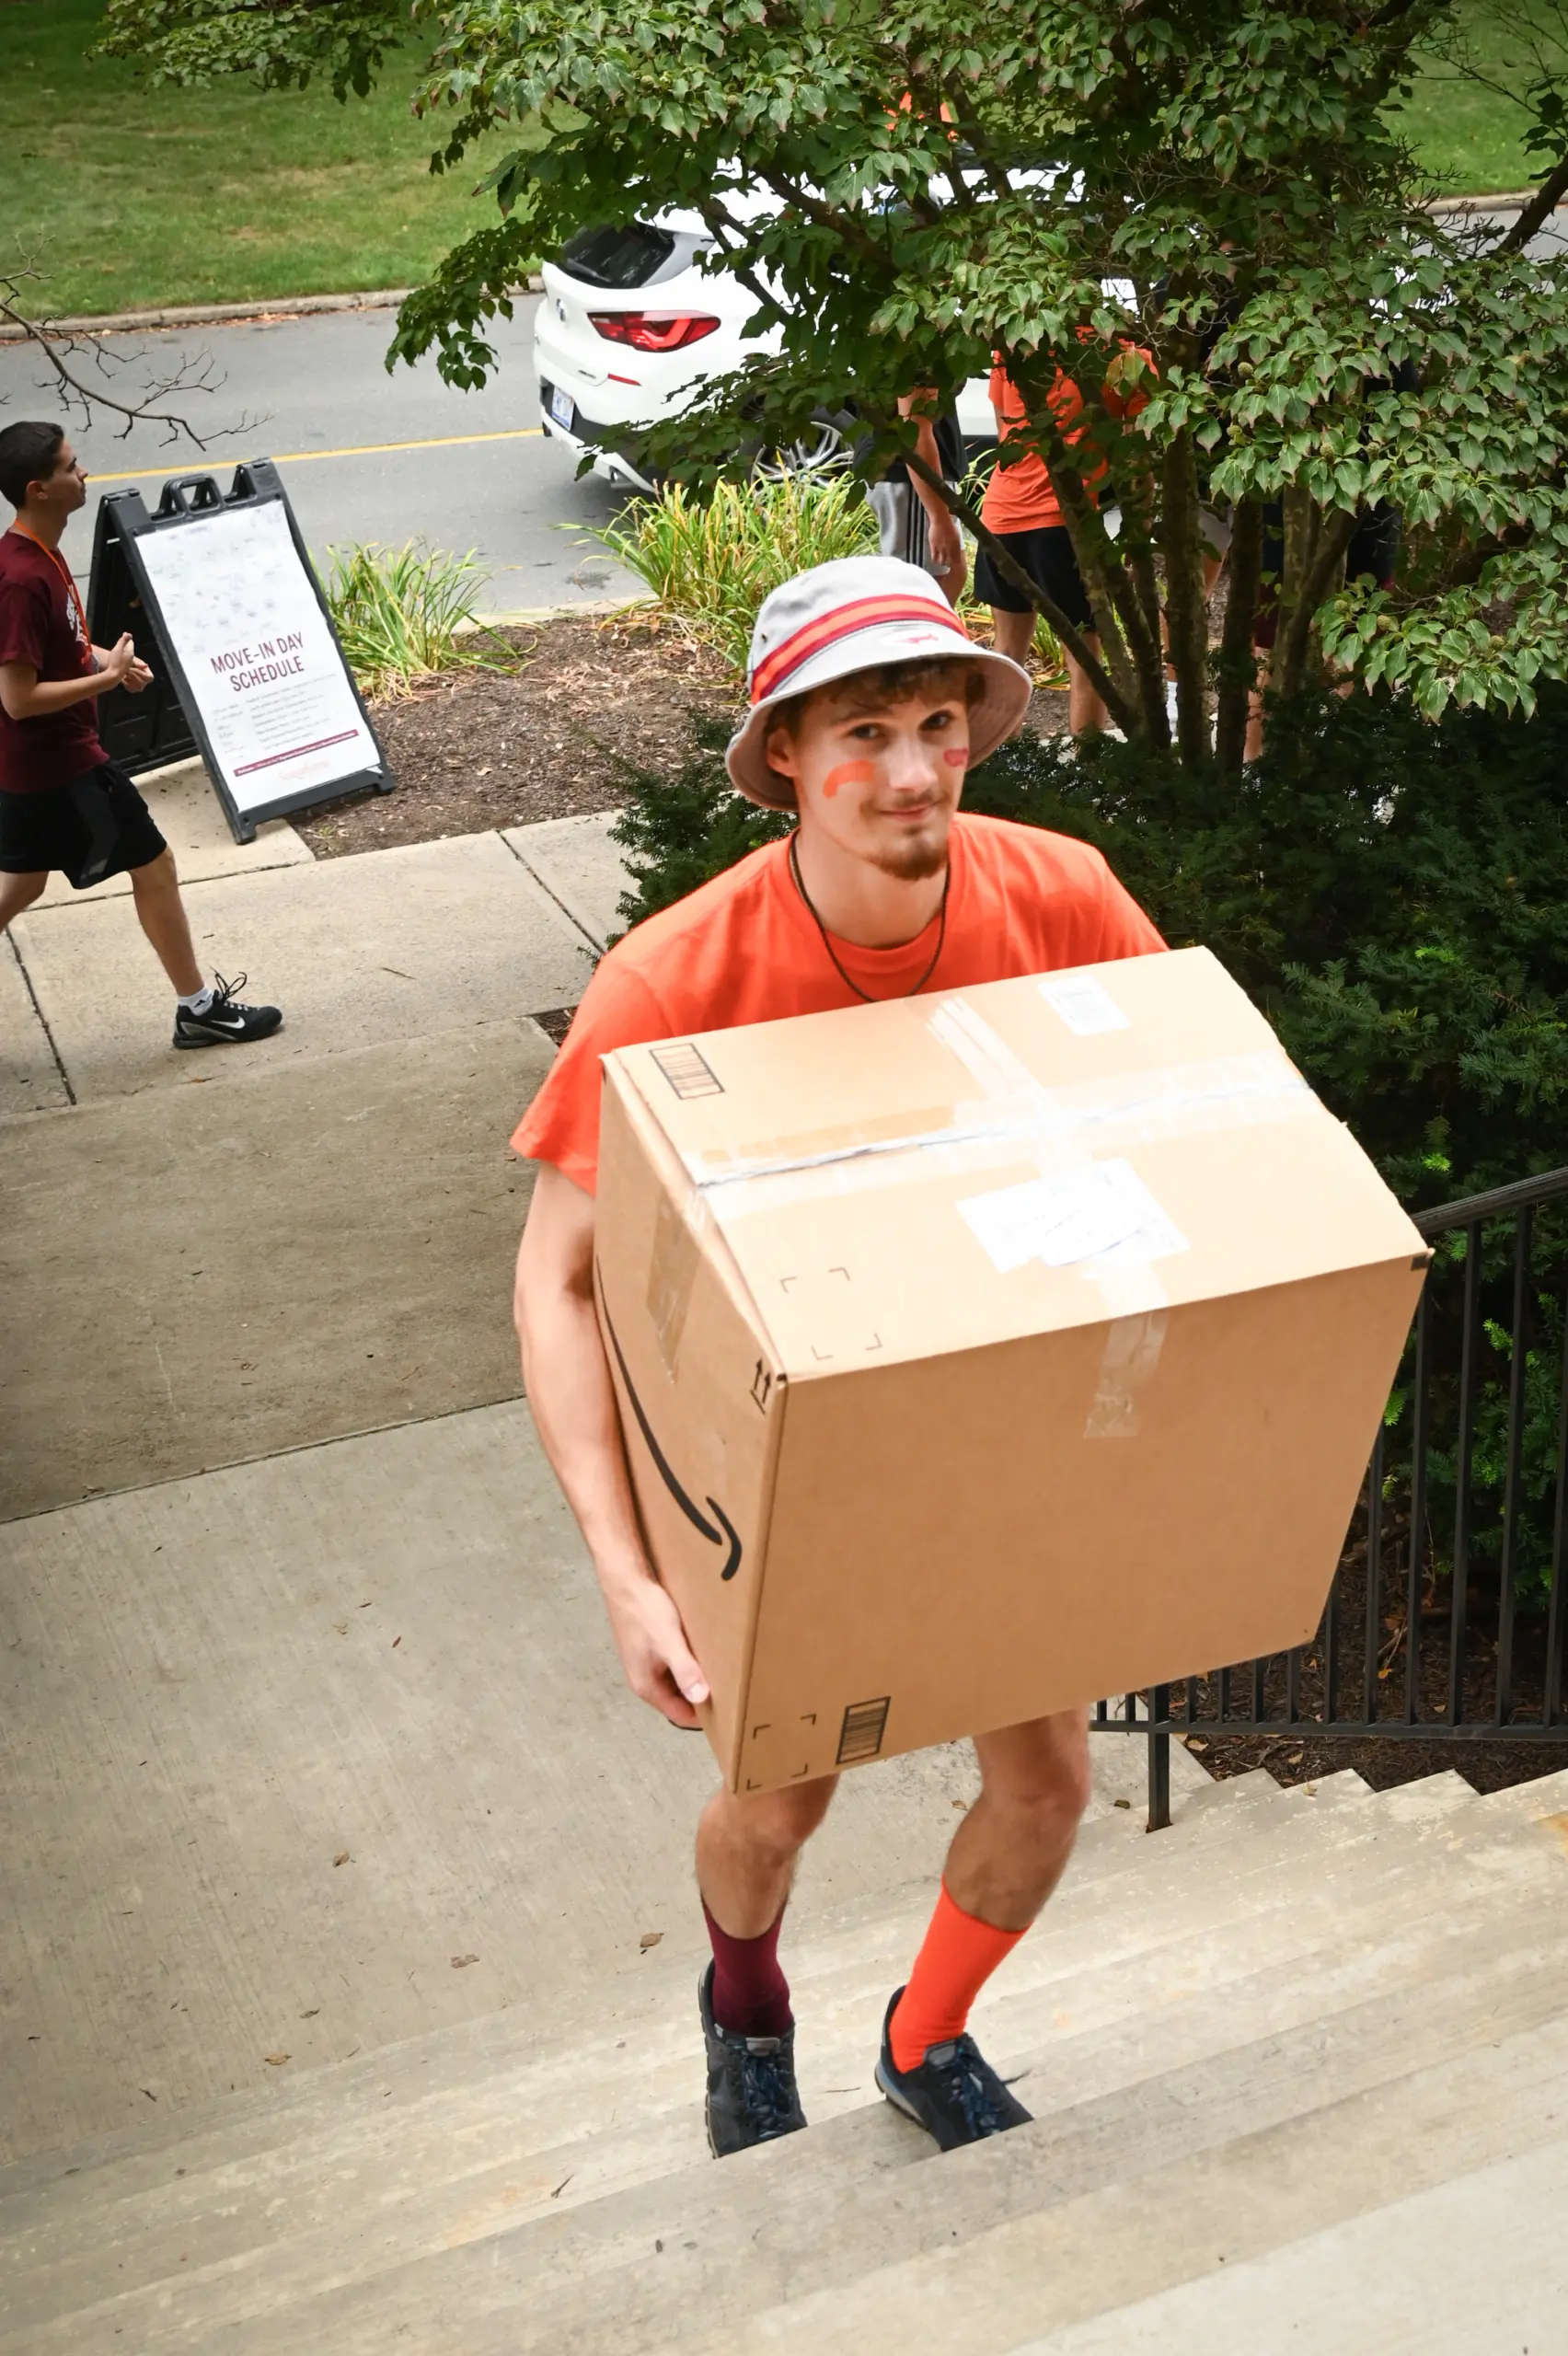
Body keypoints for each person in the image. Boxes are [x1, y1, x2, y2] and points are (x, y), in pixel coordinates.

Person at [512, 556, 1166, 2159]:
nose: (907, 769)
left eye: (936, 723)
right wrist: (625, 1572)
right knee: (774, 1807)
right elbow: (557, 1279)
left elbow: (1190, 1143)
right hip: (781, 1476)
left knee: (1047, 1793)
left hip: (992, 1435)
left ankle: (923, 2034)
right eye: (862, 730)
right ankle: (744, 2004)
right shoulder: (675, 980)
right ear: (788, 759)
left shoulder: (1063, 899)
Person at [0, 421, 282, 1048]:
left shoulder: (35, 554)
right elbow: (17, 699)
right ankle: (199, 1008)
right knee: (154, 865)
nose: (84, 474)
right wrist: (105, 681)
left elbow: (55, 649)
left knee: (24, 882)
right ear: (38, 489)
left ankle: (197, 1007)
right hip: (58, 765)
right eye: (72, 467)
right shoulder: (19, 578)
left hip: (34, 767)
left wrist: (103, 658)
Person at [974, 363, 1112, 737]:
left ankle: (1007, 767)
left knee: (1007, 653)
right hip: (1063, 521)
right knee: (1084, 659)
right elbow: (1133, 450)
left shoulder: (1012, 347)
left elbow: (1005, 429)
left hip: (1001, 513)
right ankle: (1090, 773)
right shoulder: (1111, 353)